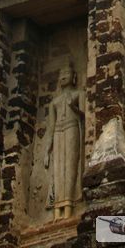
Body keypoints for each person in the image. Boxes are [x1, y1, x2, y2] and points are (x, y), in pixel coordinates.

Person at [44, 59, 84, 220]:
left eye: (66, 73)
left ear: (74, 77)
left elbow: (83, 115)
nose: (63, 76)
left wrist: (73, 107)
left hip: (72, 128)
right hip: (58, 132)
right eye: (61, 74)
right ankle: (56, 212)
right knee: (58, 170)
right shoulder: (54, 102)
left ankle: (68, 208)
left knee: (70, 167)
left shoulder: (78, 94)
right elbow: (51, 128)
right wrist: (47, 150)